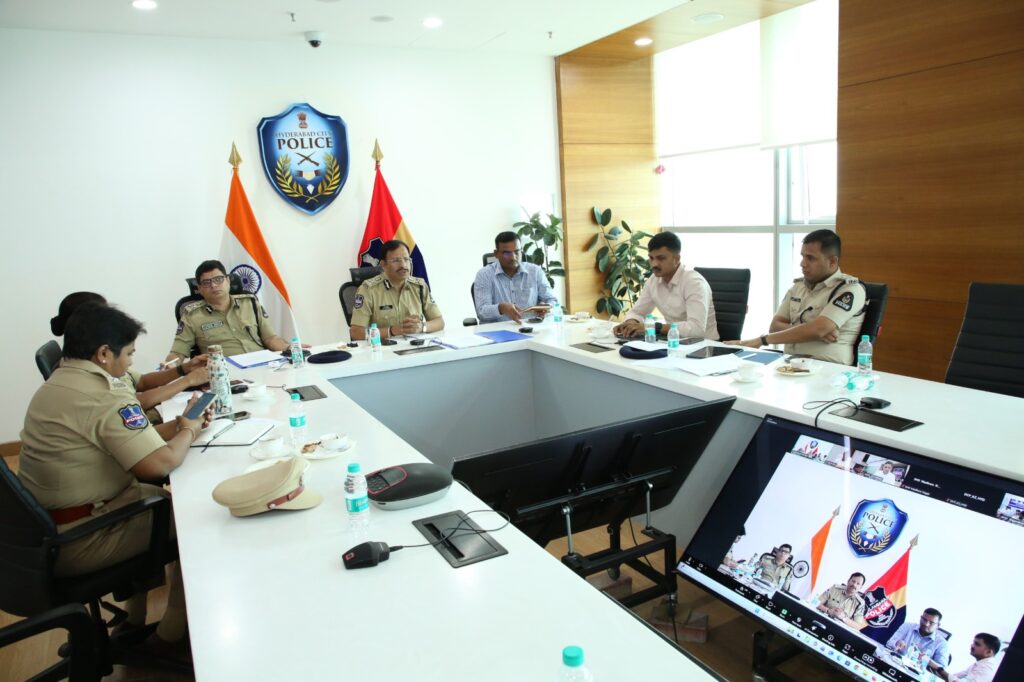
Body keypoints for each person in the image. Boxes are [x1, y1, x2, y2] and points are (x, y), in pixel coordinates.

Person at [19, 302, 211, 659]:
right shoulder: (103, 396)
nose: (130, 365)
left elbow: (128, 441)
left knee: (163, 500)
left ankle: (136, 618)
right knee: (195, 520)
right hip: (84, 536)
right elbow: (159, 464)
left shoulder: (62, 380)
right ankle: (170, 637)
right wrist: (188, 431)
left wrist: (186, 425)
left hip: (49, 531)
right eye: (129, 355)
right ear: (104, 353)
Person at [52, 292, 210, 421]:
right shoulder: (90, 373)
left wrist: (185, 368)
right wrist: (188, 381)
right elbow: (134, 404)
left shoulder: (102, 355)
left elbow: (141, 381)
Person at [727, 230, 865, 364]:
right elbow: (775, 327)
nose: (802, 263)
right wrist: (809, 330)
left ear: (832, 262)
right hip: (790, 365)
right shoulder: (798, 287)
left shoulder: (850, 290)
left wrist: (762, 340)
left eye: (810, 258)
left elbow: (818, 329)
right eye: (802, 256)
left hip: (829, 369)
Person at [166, 260, 290, 360]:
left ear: (228, 281)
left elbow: (270, 339)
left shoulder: (250, 303)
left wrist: (291, 349)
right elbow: (178, 353)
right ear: (199, 288)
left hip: (263, 364)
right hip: (225, 374)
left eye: (218, 279)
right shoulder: (192, 315)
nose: (213, 285)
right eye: (206, 282)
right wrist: (169, 366)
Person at [611, 232, 719, 340]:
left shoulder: (694, 282)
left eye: (661, 258)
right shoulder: (653, 281)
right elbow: (637, 312)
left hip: (705, 347)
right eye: (651, 258)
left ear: (676, 259)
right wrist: (630, 324)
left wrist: (654, 327)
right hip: (674, 342)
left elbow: (696, 329)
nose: (654, 264)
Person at [350, 240, 445, 340]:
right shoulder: (368, 289)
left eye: (406, 259)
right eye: (396, 260)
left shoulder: (419, 286)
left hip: (415, 348)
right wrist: (391, 331)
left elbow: (439, 322)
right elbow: (356, 333)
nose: (403, 265)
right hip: (383, 351)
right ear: (383, 265)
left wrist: (422, 327)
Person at [473, 231, 558, 323]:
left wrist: (547, 307)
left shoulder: (535, 271)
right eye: (507, 253)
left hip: (532, 328)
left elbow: (552, 300)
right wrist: (501, 308)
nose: (513, 257)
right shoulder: (484, 274)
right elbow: (481, 312)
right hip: (498, 331)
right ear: (496, 254)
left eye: (517, 252)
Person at [885, 607, 951, 668]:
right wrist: (896, 643)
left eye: (931, 623)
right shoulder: (907, 626)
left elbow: (942, 668)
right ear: (921, 618)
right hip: (896, 664)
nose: (926, 624)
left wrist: (928, 661)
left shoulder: (942, 643)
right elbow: (889, 642)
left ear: (938, 625)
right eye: (924, 620)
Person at [930, 633, 1001, 682]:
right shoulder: (980, 663)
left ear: (988, 652)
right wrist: (931, 664)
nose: (972, 646)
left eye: (977, 644)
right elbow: (955, 677)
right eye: (973, 643)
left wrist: (938, 668)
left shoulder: (987, 668)